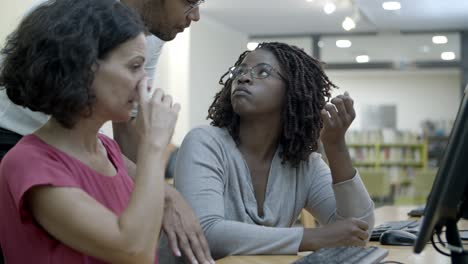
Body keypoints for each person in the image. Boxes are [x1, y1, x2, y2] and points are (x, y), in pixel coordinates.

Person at [0, 0, 213, 263]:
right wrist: (154, 146)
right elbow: (134, 251)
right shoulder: (28, 163)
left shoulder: (109, 151)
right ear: (83, 68)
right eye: (135, 67)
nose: (145, 83)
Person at [175, 42, 375, 259]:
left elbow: (359, 232)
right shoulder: (205, 143)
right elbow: (206, 233)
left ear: (294, 91)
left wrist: (335, 146)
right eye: (240, 71)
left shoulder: (304, 165)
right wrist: (314, 238)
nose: (243, 78)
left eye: (262, 72)